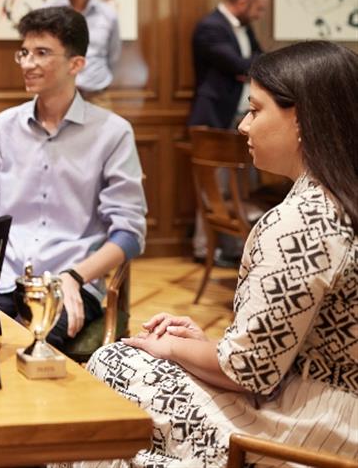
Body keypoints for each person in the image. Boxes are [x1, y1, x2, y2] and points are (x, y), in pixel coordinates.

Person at [66, 41, 358, 468]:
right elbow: (278, 351)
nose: (243, 126)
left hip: (306, 430)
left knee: (113, 365)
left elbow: (249, 372)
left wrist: (171, 348)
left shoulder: (301, 222)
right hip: (327, 412)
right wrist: (208, 347)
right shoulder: (338, 202)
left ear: (301, 118)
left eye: (255, 111)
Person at [0, 6, 147, 347]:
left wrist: (74, 277)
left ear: (76, 64)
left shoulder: (113, 133)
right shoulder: (3, 128)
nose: (27, 63)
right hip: (4, 277)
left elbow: (129, 233)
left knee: (35, 348)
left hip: (70, 282)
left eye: (42, 53)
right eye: (24, 52)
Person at [188, 0, 270, 262]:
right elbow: (238, 64)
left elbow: (261, 62)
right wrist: (244, 69)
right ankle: (204, 250)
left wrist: (247, 70)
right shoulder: (210, 27)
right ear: (243, 2)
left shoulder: (245, 27)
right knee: (213, 188)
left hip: (241, 117)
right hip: (214, 118)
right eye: (259, 8)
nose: (260, 15)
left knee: (239, 187)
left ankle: (236, 249)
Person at [46, 0, 121, 101]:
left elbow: (113, 56)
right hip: (57, 95)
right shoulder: (48, 13)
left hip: (97, 96)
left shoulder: (108, 15)